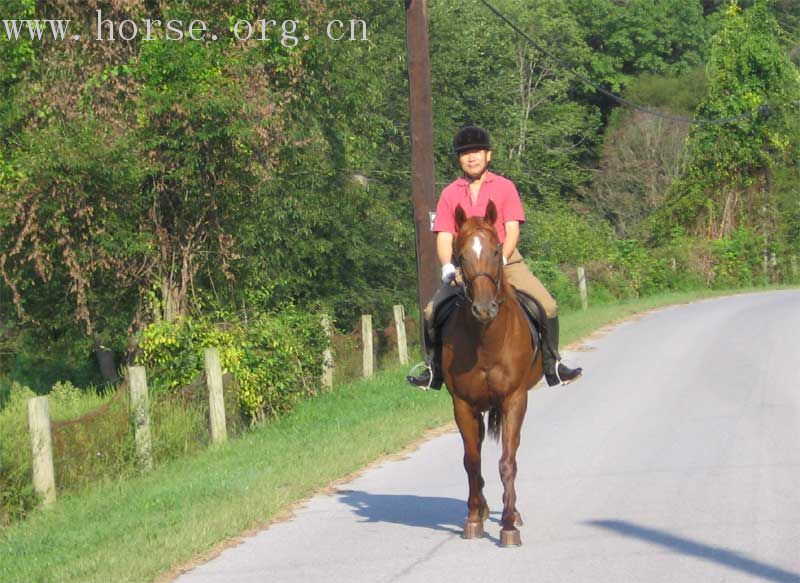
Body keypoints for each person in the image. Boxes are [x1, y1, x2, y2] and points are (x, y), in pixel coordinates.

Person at [407, 125, 582, 390]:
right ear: (459, 159)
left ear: (488, 155)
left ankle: (552, 365)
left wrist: (503, 259)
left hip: (505, 262)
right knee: (432, 311)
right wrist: (446, 266)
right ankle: (434, 370)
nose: (471, 157)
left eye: (477, 151)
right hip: (466, 265)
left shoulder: (505, 187)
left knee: (547, 306)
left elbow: (511, 229)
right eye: (465, 153)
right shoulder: (449, 194)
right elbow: (444, 235)